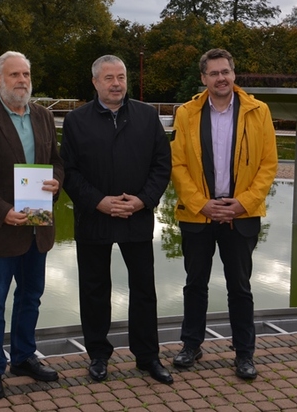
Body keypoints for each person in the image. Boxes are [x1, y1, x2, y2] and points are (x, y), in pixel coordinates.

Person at [60, 55, 173, 385]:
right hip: (94, 217)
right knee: (94, 289)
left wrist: (142, 201)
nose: (116, 83)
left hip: (136, 216)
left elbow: (161, 166)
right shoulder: (77, 120)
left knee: (143, 289)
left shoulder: (147, 117)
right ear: (94, 82)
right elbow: (69, 171)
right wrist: (98, 201)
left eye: (120, 77)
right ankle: (98, 355)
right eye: (108, 78)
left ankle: (148, 356)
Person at [0, 51, 64, 401]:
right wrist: (2, 211)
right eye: (15, 74)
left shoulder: (44, 116)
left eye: (26, 74)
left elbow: (56, 164)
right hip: (1, 228)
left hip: (38, 227)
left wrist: (56, 184)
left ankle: (22, 357)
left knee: (31, 297)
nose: (22, 80)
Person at [170, 48, 278, 381]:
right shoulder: (186, 114)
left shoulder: (258, 112)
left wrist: (243, 202)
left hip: (240, 214)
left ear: (234, 74)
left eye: (226, 72)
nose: (221, 78)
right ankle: (191, 345)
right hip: (198, 214)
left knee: (240, 287)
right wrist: (201, 203)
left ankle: (244, 353)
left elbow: (268, 165)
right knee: (195, 285)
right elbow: (178, 165)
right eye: (214, 73)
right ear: (203, 78)